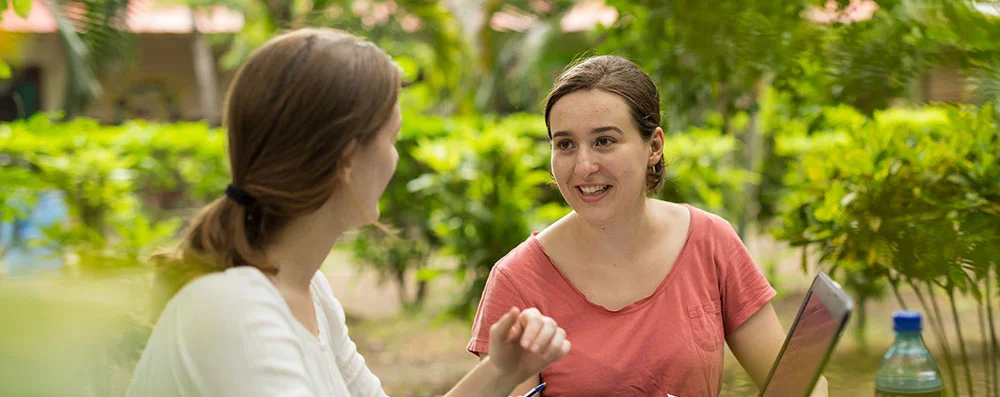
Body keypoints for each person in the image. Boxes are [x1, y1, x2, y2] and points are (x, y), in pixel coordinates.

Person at [126, 28, 571, 397]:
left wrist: (501, 369)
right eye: (392, 137)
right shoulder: (237, 312)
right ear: (346, 158)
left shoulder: (307, 290)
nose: (395, 159)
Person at [468, 55, 828, 396]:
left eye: (604, 141)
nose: (583, 166)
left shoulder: (710, 241)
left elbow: (795, 384)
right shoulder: (518, 281)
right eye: (565, 144)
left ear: (653, 146)